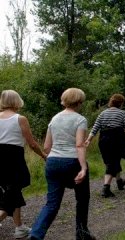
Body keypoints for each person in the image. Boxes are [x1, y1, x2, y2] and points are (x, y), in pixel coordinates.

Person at [30, 88, 95, 240]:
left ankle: (36, 234)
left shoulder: (54, 119)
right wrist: (83, 167)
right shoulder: (80, 120)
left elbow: (46, 147)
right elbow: (79, 145)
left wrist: (52, 160)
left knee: (52, 204)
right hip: (73, 162)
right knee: (82, 199)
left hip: (52, 161)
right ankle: (81, 233)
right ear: (79, 102)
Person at [0, 90, 47, 239]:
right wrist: (43, 155)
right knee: (15, 187)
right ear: (17, 101)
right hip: (13, 158)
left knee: (12, 191)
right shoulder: (20, 119)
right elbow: (32, 144)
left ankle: (19, 228)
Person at [85, 94, 125, 198]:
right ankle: (106, 188)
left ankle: (119, 181)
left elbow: (95, 128)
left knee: (113, 160)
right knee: (112, 162)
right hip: (117, 139)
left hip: (104, 140)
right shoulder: (122, 113)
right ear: (121, 103)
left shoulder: (103, 113)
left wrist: (88, 140)